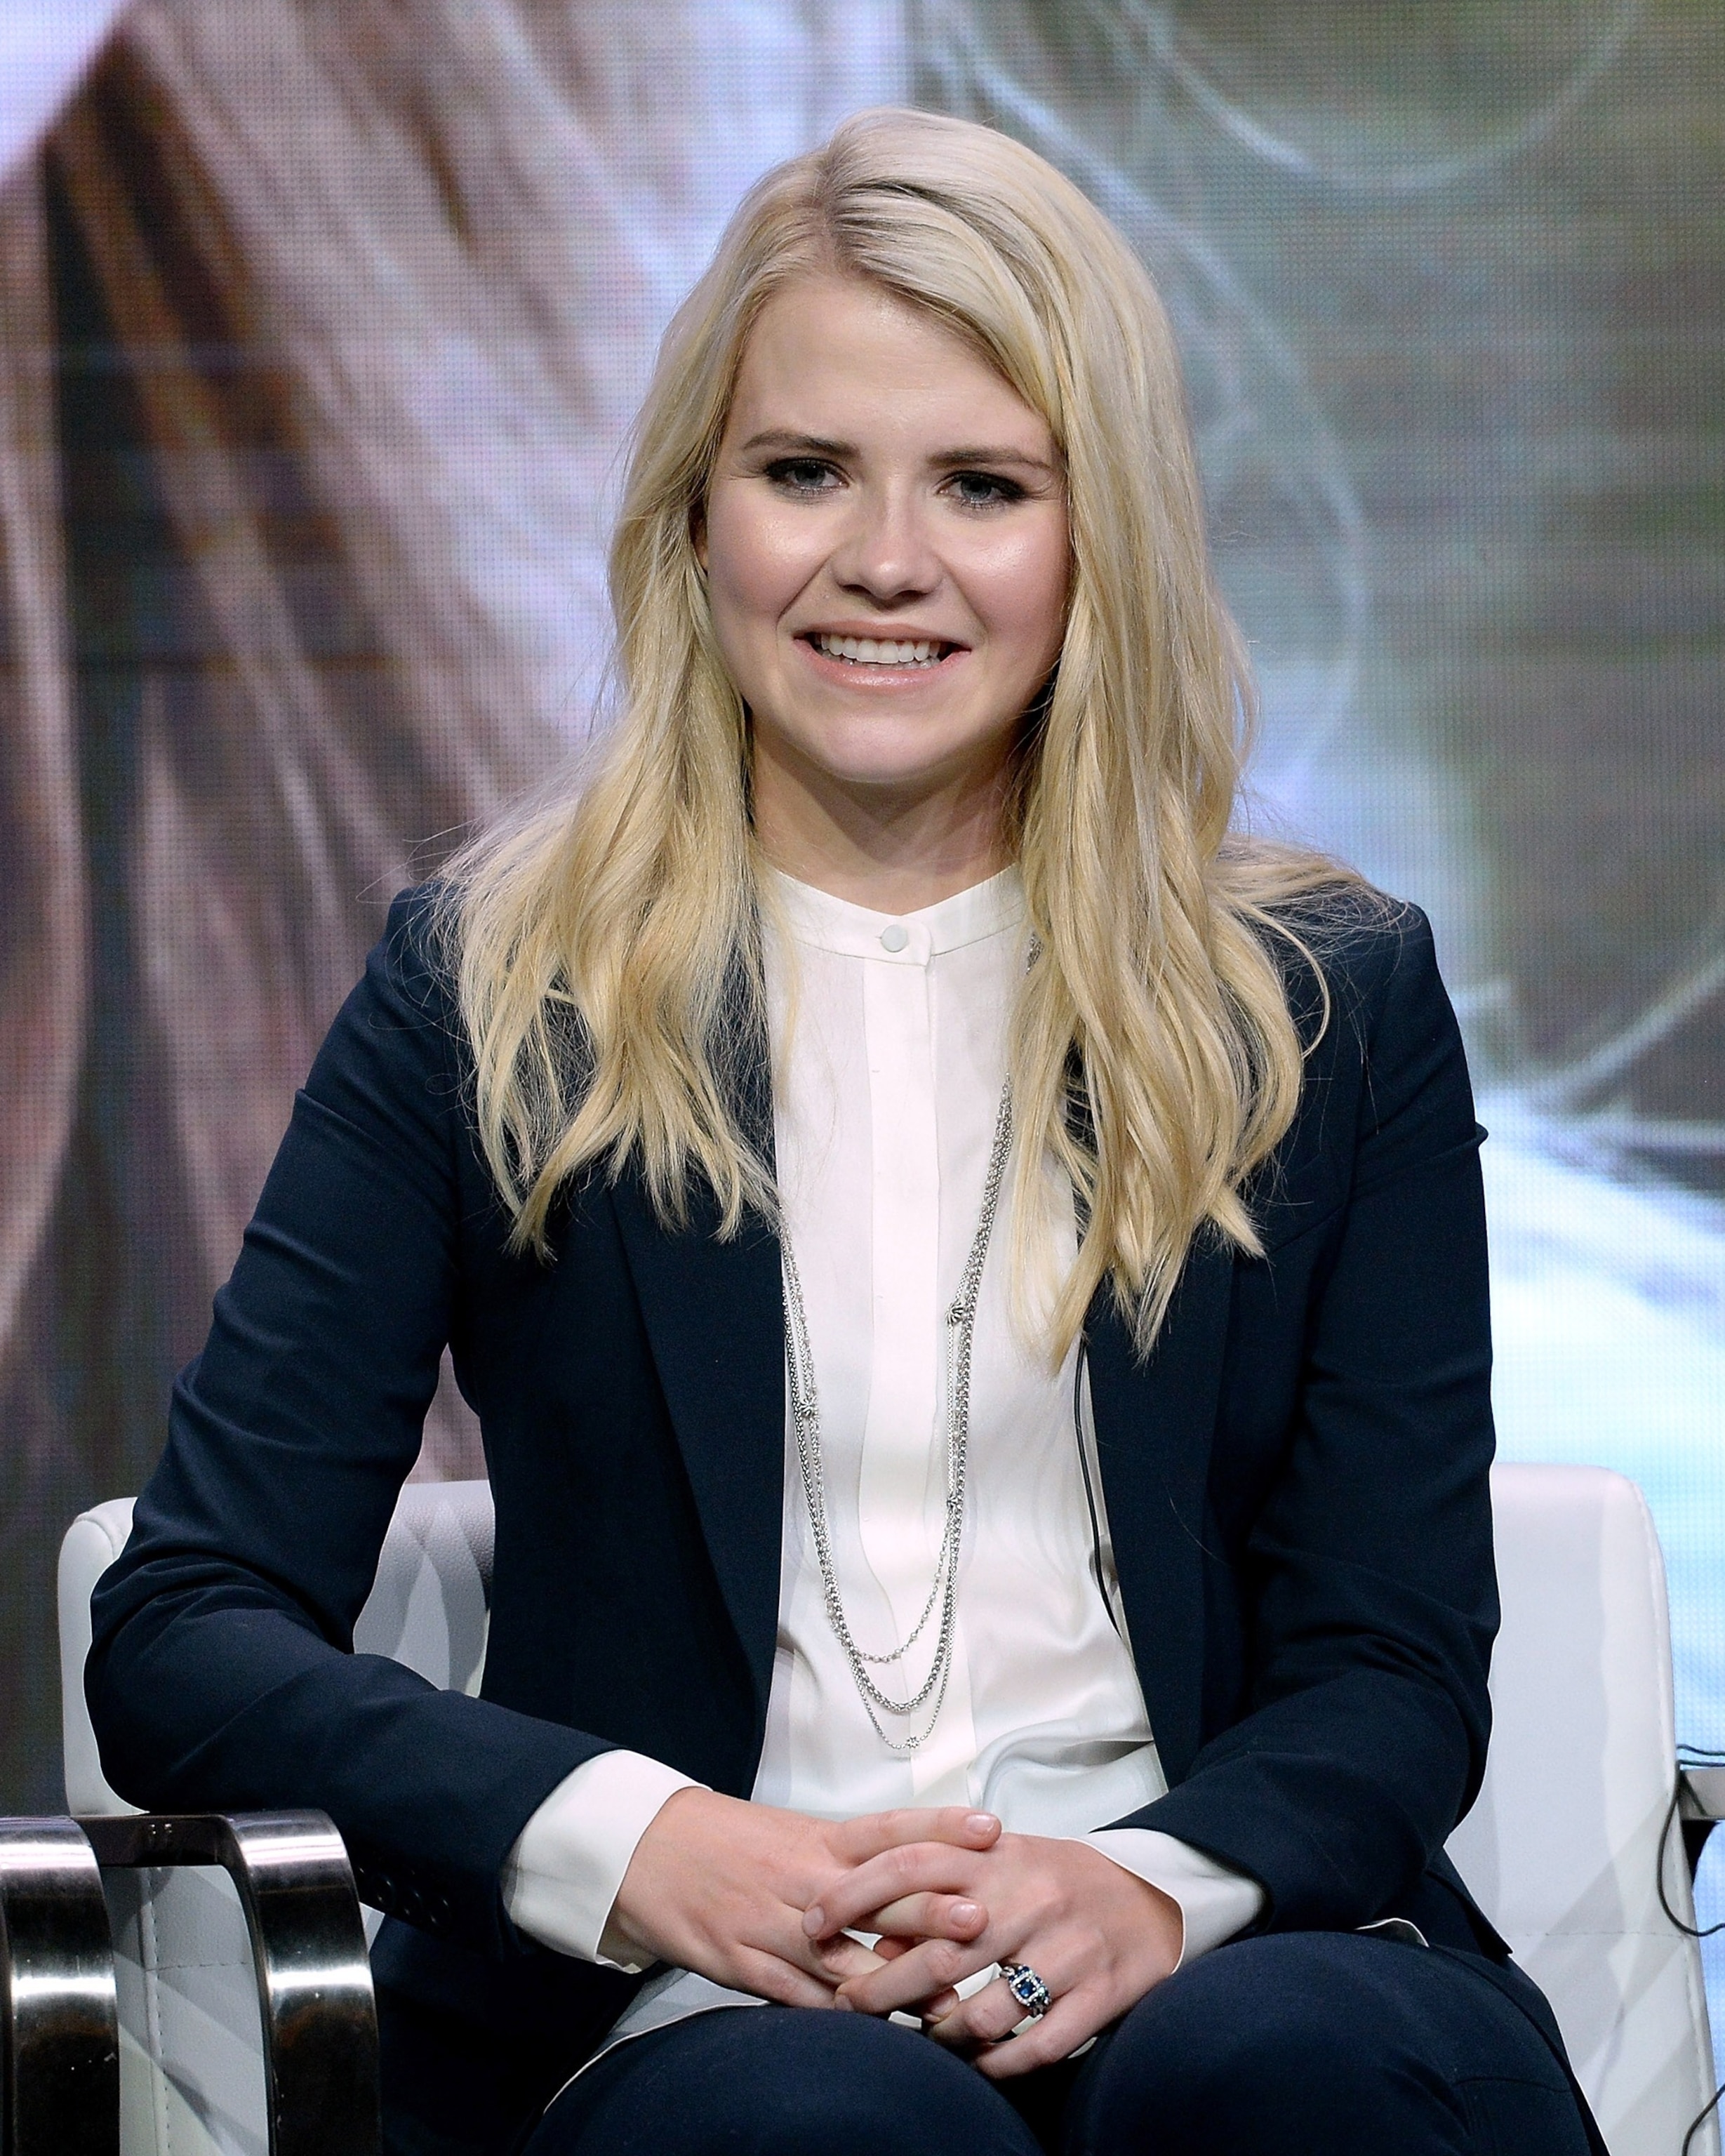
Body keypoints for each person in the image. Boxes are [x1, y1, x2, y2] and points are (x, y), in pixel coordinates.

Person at [86, 107, 1601, 2156]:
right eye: (804, 473)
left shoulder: (1325, 1000)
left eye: (980, 484)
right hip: (692, 2015)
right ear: (696, 515)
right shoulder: (490, 989)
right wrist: (649, 1845)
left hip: (1230, 1962)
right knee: (819, 2130)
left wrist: (1141, 1884)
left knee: (1284, 2079)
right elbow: (186, 1633)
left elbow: (1388, 1662)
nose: (883, 560)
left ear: (1099, 542)